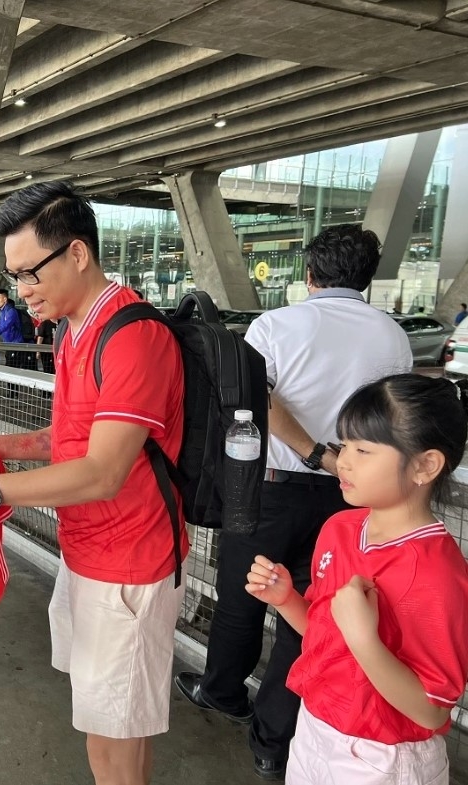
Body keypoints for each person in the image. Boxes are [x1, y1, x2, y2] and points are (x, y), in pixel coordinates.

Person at [0, 181, 186, 785]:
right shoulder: (74, 331)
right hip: (90, 557)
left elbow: (103, 471)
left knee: (115, 748)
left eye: (29, 273)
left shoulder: (133, 334)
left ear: (78, 254)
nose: (22, 291)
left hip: (130, 568)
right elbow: (63, 440)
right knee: (108, 728)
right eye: (14, 278)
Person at [175, 224, 413, 781]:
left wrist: (312, 452)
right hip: (350, 501)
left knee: (243, 597)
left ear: (309, 274)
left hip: (266, 485)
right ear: (367, 277)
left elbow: (250, 397)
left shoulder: (276, 325)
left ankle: (223, 693)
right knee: (306, 614)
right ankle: (272, 738)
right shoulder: (392, 337)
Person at [246, 374, 468, 785]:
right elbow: (324, 632)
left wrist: (365, 639)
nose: (343, 460)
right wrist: (286, 599)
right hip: (313, 727)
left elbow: (431, 708)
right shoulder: (340, 528)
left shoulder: (438, 575)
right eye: (344, 444)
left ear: (425, 465)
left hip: (383, 759)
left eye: (363, 450)